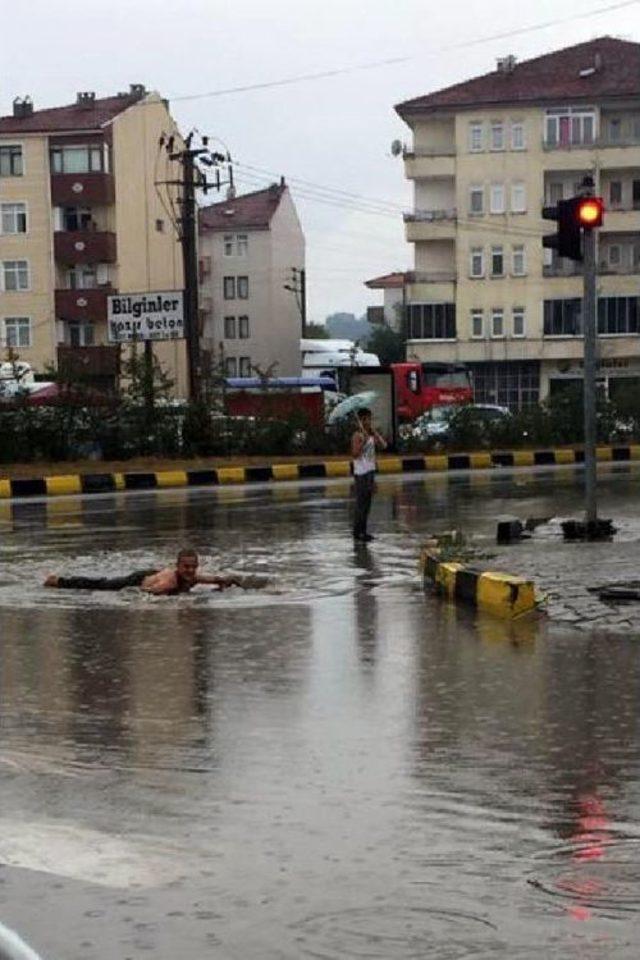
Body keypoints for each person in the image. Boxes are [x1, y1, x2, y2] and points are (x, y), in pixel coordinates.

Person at [43, 548, 243, 596]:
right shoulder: (170, 583)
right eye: (186, 567)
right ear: (178, 566)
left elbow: (216, 580)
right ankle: (58, 581)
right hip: (138, 580)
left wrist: (227, 582)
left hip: (154, 573)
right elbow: (144, 594)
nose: (191, 570)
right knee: (102, 584)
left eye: (193, 566)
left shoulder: (192, 577)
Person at [351, 407, 387, 542]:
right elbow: (354, 454)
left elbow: (384, 445)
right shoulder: (357, 436)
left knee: (368, 503)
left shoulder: (370, 434)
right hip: (361, 473)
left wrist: (374, 434)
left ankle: (364, 530)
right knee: (361, 503)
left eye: (370, 419)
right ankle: (357, 531)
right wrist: (363, 443)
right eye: (366, 419)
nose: (369, 422)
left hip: (370, 471)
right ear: (361, 420)